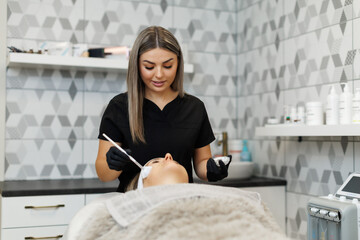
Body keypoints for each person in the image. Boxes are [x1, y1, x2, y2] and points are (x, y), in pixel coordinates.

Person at [96, 25, 231, 192]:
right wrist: (112, 164)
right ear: (137, 65)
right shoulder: (119, 107)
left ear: (178, 63)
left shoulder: (194, 108)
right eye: (149, 67)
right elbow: (104, 174)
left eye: (167, 66)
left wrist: (213, 169)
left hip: (180, 204)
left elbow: (201, 164)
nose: (159, 74)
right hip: (134, 207)